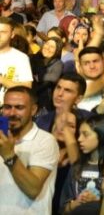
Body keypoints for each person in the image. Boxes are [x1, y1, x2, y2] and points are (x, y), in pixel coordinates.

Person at [0, 86, 60, 214]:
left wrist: (9, 155)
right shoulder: (1, 138)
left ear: (33, 110)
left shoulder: (45, 141)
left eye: (19, 107)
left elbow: (32, 189)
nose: (12, 113)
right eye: (7, 107)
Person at [59, 114, 104, 214]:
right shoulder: (76, 167)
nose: (79, 139)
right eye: (79, 134)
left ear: (102, 135)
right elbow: (62, 209)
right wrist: (76, 203)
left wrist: (98, 202)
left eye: (85, 134)